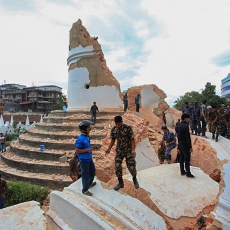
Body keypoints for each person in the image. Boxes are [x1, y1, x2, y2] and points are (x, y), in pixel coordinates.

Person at [105, 116, 139, 191]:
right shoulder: (114, 130)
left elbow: (132, 139)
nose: (118, 126)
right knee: (117, 166)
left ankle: (134, 179)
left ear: (122, 122)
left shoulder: (128, 128)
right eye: (117, 124)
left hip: (128, 151)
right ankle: (120, 183)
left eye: (119, 124)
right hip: (119, 151)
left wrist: (133, 150)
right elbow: (113, 140)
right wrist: (109, 148)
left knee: (131, 166)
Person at [75, 120, 97, 196]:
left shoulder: (86, 136)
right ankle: (85, 190)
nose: (89, 129)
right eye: (88, 127)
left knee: (93, 172)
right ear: (84, 129)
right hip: (84, 160)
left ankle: (89, 184)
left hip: (89, 158)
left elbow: (87, 146)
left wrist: (92, 148)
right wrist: (87, 150)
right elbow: (77, 150)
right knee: (85, 175)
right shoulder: (80, 139)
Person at [175, 113, 194, 178]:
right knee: (187, 158)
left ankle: (182, 171)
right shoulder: (185, 126)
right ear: (185, 118)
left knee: (181, 158)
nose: (188, 120)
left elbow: (177, 136)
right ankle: (188, 173)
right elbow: (187, 138)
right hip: (185, 144)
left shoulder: (177, 126)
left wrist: (178, 146)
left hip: (180, 143)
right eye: (188, 118)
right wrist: (190, 147)